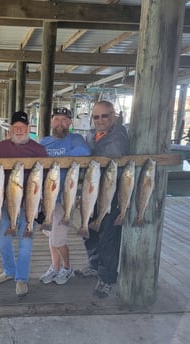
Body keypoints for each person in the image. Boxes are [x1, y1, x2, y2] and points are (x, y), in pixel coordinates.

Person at [75, 100, 129, 298]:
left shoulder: (119, 134)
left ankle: (107, 278)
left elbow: (112, 153)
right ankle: (94, 264)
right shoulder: (91, 135)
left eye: (104, 116)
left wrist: (85, 155)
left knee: (108, 236)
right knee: (89, 230)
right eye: (96, 117)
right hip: (91, 192)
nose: (100, 120)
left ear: (113, 116)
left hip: (112, 193)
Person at [0, 111, 48, 296]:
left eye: (22, 127)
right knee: (2, 240)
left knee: (26, 244)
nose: (18, 130)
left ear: (28, 129)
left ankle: (21, 278)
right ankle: (9, 270)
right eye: (15, 127)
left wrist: (43, 206)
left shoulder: (39, 150)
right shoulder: (2, 146)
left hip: (29, 205)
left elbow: (47, 179)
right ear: (10, 130)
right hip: (6, 202)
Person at [39, 107, 91, 285]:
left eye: (64, 120)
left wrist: (58, 161)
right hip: (46, 198)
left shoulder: (75, 139)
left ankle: (67, 268)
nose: (60, 123)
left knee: (58, 239)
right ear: (52, 121)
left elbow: (85, 152)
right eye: (57, 119)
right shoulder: (44, 142)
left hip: (64, 199)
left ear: (70, 123)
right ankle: (55, 267)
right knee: (51, 237)